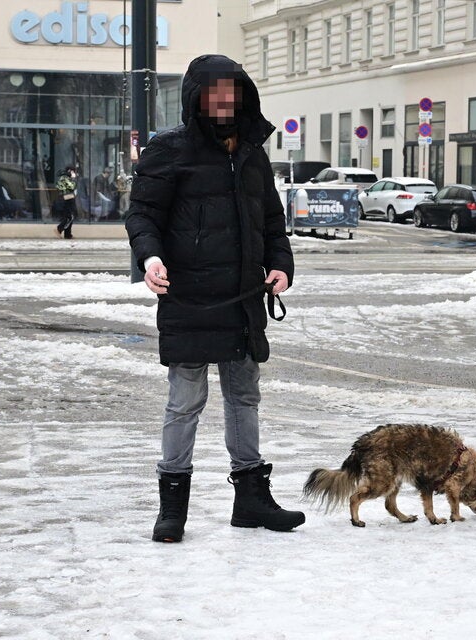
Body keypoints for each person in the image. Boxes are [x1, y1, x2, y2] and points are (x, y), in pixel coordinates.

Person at [125, 54, 303, 542]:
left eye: (232, 92)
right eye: (214, 92)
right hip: (190, 300)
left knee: (244, 396)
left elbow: (271, 222)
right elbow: (142, 215)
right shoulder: (170, 150)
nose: (224, 102)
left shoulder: (252, 153)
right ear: (196, 97)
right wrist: (150, 259)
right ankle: (172, 506)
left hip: (244, 300)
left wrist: (281, 265)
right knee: (185, 401)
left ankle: (250, 499)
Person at [53, 166, 77, 238]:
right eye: (73, 171)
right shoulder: (64, 178)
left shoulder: (64, 178)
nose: (74, 173)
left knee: (70, 216)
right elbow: (72, 186)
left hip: (68, 198)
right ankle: (59, 229)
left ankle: (68, 234)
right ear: (69, 171)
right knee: (69, 216)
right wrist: (73, 179)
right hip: (67, 199)